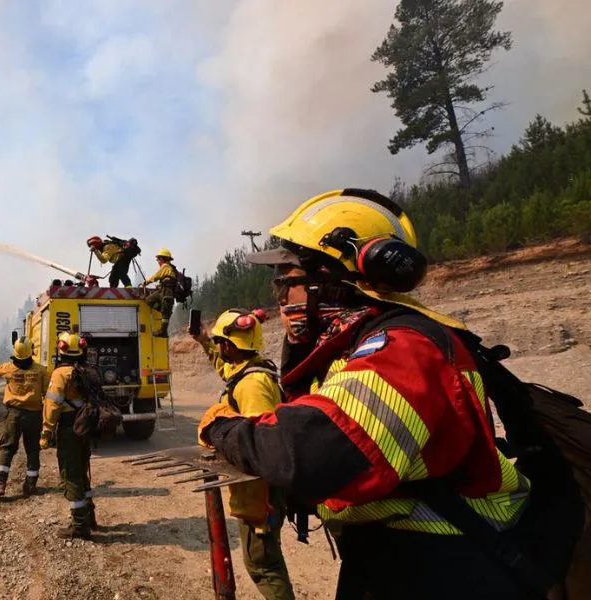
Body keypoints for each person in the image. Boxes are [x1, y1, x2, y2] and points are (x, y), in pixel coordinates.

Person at [198, 188, 582, 600]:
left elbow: (313, 450)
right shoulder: (363, 348)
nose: (280, 299)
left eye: (287, 283)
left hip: (449, 565)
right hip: (398, 556)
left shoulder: (405, 347)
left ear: (330, 280)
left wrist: (223, 428)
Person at [193, 308, 295, 600]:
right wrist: (203, 341)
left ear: (229, 345)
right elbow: (225, 369)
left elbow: (261, 445)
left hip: (258, 496)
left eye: (220, 342)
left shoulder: (251, 385)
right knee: (264, 561)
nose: (219, 348)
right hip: (257, 493)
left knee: (263, 565)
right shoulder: (249, 368)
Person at [40, 332, 97, 539]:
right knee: (82, 471)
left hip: (69, 428)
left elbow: (52, 405)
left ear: (61, 349)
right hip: (85, 427)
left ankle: (80, 526)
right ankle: (90, 516)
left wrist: (46, 432)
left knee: (71, 474)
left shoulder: (60, 374)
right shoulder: (87, 371)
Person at [0, 337, 49, 498]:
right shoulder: (41, 370)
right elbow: (47, 394)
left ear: (16, 351)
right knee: (33, 449)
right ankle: (31, 485)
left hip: (15, 415)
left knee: (7, 448)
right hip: (35, 415)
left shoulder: (9, 368)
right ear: (31, 351)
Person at [143, 248, 177, 337]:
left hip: (167, 292)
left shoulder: (165, 266)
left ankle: (163, 331)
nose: (157, 261)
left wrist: (145, 282)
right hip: (163, 290)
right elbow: (165, 279)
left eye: (158, 259)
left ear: (162, 259)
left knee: (165, 313)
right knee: (149, 300)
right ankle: (164, 311)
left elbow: (156, 276)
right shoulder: (169, 268)